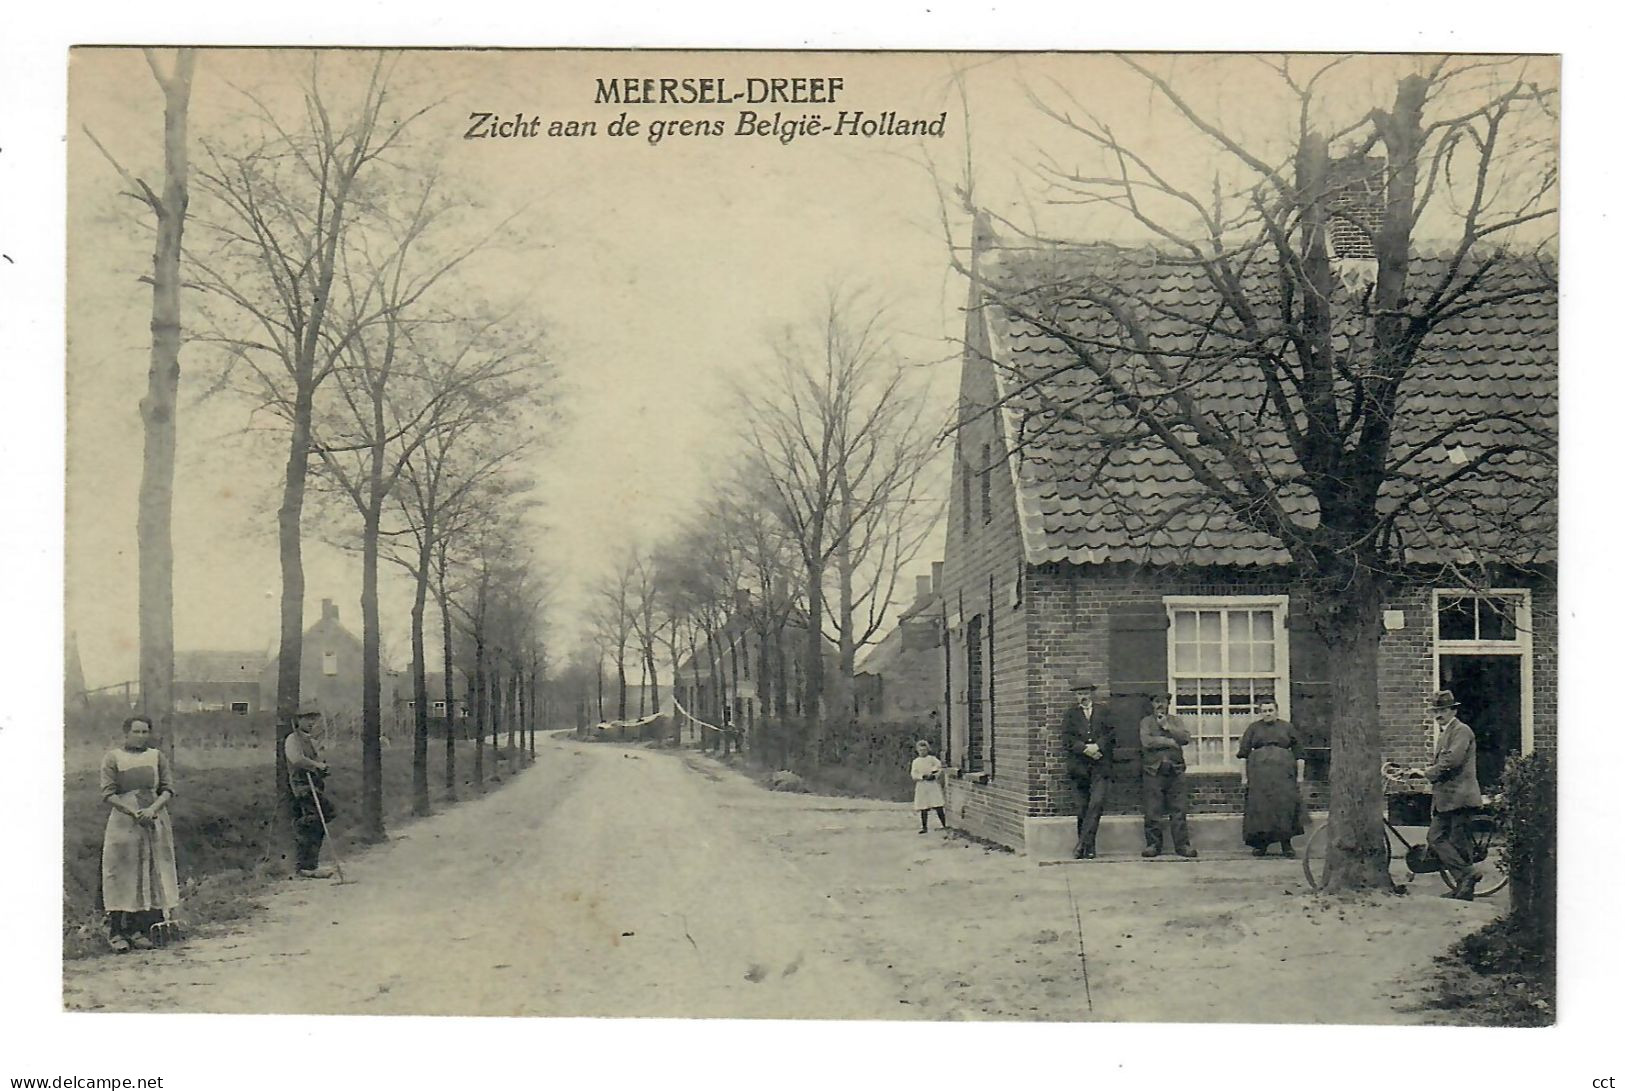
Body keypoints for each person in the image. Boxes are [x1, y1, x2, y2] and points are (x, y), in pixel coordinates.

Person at [100, 715, 179, 952]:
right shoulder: (113, 757)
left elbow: (167, 789)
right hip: (125, 821)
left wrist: (152, 809)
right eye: (137, 732)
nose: (141, 736)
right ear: (126, 734)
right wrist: (133, 811)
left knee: (149, 871)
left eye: (145, 732)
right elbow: (108, 793)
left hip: (154, 819)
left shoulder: (156, 757)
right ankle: (116, 930)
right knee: (122, 872)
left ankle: (138, 929)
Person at [1407, 690, 1482, 900]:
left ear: (1453, 710)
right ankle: (1464, 885)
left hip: (1459, 798)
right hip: (1447, 799)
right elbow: (1443, 762)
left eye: (1443, 710)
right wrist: (1420, 771)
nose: (1438, 714)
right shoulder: (1445, 732)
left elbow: (1451, 761)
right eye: (1436, 710)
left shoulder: (1461, 731)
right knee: (1440, 839)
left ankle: (1467, 877)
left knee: (1445, 840)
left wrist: (1427, 773)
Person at [1236, 697, 1306, 858]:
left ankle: (1286, 844)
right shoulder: (1253, 728)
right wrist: (1244, 777)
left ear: (1276, 711)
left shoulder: (1287, 728)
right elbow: (1243, 755)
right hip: (1259, 774)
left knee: (1284, 807)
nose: (1267, 714)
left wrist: (1299, 777)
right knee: (1261, 808)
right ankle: (1262, 845)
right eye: (1264, 711)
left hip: (1283, 774)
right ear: (1260, 712)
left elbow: (1300, 754)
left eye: (1270, 710)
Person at [1060, 678, 1114, 859]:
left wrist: (1098, 747)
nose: (1082, 696)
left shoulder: (1104, 712)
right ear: (1075, 696)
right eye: (1079, 693)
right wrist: (1085, 749)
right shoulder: (1070, 714)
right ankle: (1089, 848)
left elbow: (1111, 734)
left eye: (1085, 693)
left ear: (1091, 694)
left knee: (1096, 803)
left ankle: (1081, 845)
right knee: (1082, 807)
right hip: (1079, 767)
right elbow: (1067, 739)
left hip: (1100, 765)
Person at [1140, 693, 1197, 858]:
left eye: (1163, 702)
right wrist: (1170, 742)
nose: (1160, 705)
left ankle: (1182, 845)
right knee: (1153, 810)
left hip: (1176, 770)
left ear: (1168, 704)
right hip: (1153, 770)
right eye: (1157, 702)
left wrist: (1167, 727)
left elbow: (1185, 738)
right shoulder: (1146, 722)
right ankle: (1153, 845)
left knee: (1178, 809)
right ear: (1152, 704)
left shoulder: (1176, 721)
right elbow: (1146, 742)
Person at [285, 702, 337, 879]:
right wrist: (315, 765)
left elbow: (318, 761)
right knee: (318, 818)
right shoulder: (293, 739)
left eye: (313, 720)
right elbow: (297, 760)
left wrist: (322, 768)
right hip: (302, 786)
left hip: (315, 785)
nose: (310, 723)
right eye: (306, 719)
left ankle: (311, 866)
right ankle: (304, 866)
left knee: (323, 820)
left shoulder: (311, 741)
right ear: (298, 720)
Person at [910, 739, 948, 834]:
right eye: (921, 750)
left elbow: (939, 768)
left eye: (924, 750)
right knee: (923, 807)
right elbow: (914, 774)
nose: (923, 752)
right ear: (917, 751)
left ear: (928, 750)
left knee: (938, 804)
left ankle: (944, 824)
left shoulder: (932, 759)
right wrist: (922, 776)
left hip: (932, 784)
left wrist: (934, 774)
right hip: (922, 785)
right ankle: (924, 827)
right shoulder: (916, 762)